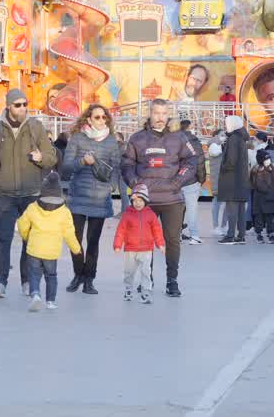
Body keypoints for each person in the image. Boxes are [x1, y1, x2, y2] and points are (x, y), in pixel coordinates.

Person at [0, 88, 59, 299]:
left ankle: (27, 281)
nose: (22, 108)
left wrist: (41, 158)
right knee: (2, 239)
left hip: (31, 193)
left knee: (29, 240)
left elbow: (52, 157)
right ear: (9, 106)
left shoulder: (36, 127)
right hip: (3, 194)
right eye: (18, 104)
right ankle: (0, 282)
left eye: (24, 104)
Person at [122, 98, 198, 298]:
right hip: (145, 201)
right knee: (145, 242)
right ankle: (147, 280)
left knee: (172, 241)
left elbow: (192, 160)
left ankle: (172, 281)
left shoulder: (179, 137)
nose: (160, 118)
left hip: (172, 199)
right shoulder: (137, 139)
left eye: (164, 113)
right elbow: (127, 165)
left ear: (168, 115)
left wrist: (177, 182)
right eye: (156, 113)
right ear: (150, 114)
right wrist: (136, 184)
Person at [61, 103, 122, 295]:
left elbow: (116, 167)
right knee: (75, 240)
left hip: (100, 199)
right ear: (88, 119)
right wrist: (82, 162)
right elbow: (66, 168)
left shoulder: (111, 141)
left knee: (93, 242)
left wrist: (112, 185)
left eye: (104, 117)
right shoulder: (77, 139)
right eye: (97, 117)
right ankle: (78, 274)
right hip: (78, 197)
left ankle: (89, 279)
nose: (102, 120)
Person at [17, 173, 82, 312]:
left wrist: (26, 236)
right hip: (51, 253)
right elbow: (69, 233)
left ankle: (35, 294)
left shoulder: (33, 207)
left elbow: (22, 224)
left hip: (34, 249)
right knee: (51, 276)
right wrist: (76, 249)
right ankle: (50, 301)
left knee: (34, 273)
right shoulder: (64, 212)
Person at [113, 184, 165, 304]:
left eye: (140, 200)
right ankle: (128, 288)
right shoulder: (127, 214)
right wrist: (117, 244)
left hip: (146, 249)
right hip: (130, 249)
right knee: (129, 271)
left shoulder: (151, 214)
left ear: (145, 201)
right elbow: (121, 230)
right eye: (135, 201)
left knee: (146, 272)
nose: (137, 203)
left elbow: (157, 230)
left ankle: (145, 292)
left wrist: (160, 244)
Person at [216, 115, 251, 245]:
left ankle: (230, 235)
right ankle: (241, 235)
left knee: (231, 209)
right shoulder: (241, 138)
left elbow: (231, 160)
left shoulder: (233, 139)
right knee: (241, 209)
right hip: (241, 179)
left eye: (227, 124)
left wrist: (224, 168)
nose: (226, 126)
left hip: (232, 179)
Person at [178, 119, 206, 245]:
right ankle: (194, 235)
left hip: (177, 180)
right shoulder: (194, 141)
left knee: (177, 209)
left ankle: (177, 234)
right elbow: (200, 161)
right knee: (191, 209)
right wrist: (201, 179)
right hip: (191, 180)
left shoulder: (173, 140)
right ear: (189, 127)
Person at [250, 149, 274, 244]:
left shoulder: (272, 168)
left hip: (270, 197)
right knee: (259, 217)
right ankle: (259, 234)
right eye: (266, 159)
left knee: (270, 216)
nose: (268, 161)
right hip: (260, 197)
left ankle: (271, 233)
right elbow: (257, 184)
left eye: (269, 159)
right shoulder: (256, 170)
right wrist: (271, 188)